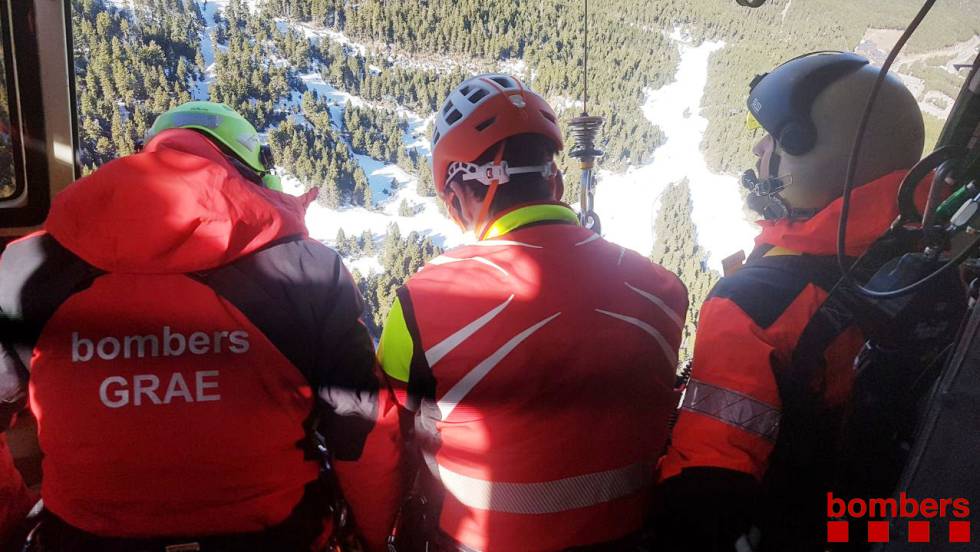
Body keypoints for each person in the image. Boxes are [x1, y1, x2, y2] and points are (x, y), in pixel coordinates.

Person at [0, 101, 400, 551]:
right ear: (252, 175)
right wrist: (372, 535)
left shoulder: (23, 270)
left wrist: (14, 519)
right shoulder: (312, 272)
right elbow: (361, 433)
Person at [376, 74, 688, 551]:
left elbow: (383, 444)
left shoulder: (421, 302)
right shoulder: (664, 289)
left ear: (457, 198)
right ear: (557, 181)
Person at [655, 52, 926, 551]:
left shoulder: (751, 307)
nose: (760, 148)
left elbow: (707, 486)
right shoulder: (915, 253)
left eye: (776, 141)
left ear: (820, 161)